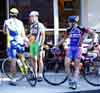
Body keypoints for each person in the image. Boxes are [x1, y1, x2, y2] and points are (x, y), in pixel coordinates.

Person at [63, 16, 98, 89]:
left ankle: (74, 81)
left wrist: (92, 43)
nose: (68, 23)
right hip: (70, 48)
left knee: (77, 66)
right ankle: (70, 80)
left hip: (78, 49)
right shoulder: (68, 30)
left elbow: (94, 34)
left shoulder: (82, 28)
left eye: (69, 22)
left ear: (73, 22)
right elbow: (64, 39)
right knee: (66, 64)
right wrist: (56, 45)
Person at [3, 8, 26, 86]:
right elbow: (23, 34)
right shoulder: (20, 22)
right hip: (20, 42)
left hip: (12, 43)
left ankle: (13, 79)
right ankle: (26, 73)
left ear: (10, 14)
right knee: (22, 58)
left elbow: (4, 31)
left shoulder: (7, 22)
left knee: (13, 61)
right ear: (17, 14)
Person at [28, 11, 45, 81]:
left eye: (32, 16)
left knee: (39, 59)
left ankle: (40, 75)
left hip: (38, 44)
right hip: (32, 44)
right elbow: (31, 34)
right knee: (33, 59)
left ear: (36, 17)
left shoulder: (40, 25)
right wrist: (25, 38)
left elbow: (43, 35)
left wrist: (41, 45)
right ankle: (34, 74)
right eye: (30, 16)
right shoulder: (32, 26)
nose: (30, 18)